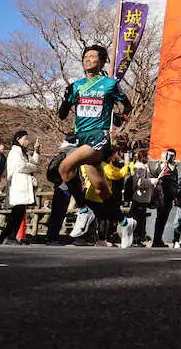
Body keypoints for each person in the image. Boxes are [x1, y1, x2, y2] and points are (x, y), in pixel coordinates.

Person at [56, 45, 133, 233]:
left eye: (93, 56)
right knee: (101, 190)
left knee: (64, 167)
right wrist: (66, 100)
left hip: (99, 137)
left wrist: (119, 119)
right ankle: (125, 223)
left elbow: (127, 106)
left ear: (102, 61)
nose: (88, 59)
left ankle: (83, 210)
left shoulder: (110, 84)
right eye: (85, 57)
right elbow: (62, 115)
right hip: (82, 138)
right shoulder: (77, 86)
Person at [0, 130, 39, 244]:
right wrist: (33, 168)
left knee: (18, 212)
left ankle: (7, 236)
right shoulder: (15, 152)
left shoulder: (23, 152)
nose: (26, 141)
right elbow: (21, 166)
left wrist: (37, 151)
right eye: (24, 138)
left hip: (22, 185)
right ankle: (9, 236)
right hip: (18, 185)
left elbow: (34, 162)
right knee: (17, 213)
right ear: (18, 139)